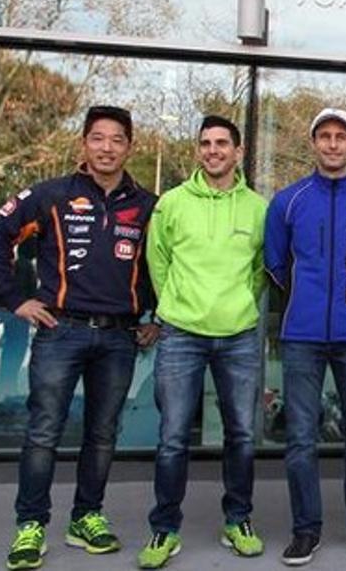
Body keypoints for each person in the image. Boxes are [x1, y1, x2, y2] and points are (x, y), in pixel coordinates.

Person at [0, 106, 160, 570]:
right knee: (43, 434)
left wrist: (154, 314)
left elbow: (165, 267)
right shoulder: (50, 195)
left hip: (119, 338)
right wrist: (16, 300)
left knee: (101, 435)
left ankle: (87, 517)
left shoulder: (149, 205)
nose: (107, 148)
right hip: (60, 332)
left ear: (129, 147)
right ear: (84, 144)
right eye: (98, 138)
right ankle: (30, 525)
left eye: (117, 139)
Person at [136, 116, 269, 568]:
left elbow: (258, 271)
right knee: (173, 437)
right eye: (205, 143)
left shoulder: (257, 208)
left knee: (243, 435)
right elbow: (158, 262)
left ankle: (238, 520)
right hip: (181, 334)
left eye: (221, 143)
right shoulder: (171, 203)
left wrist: (237, 305)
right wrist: (177, 304)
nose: (213, 150)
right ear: (198, 150)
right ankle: (164, 529)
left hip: (238, 336)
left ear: (237, 151)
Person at [264, 108, 346, 566]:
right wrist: (306, 302)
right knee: (301, 438)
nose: (333, 144)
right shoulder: (289, 201)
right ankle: (306, 530)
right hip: (301, 337)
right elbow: (276, 265)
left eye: (341, 137)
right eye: (325, 136)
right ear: (314, 143)